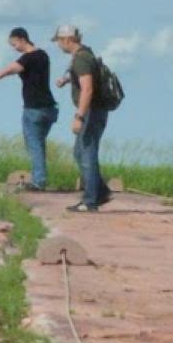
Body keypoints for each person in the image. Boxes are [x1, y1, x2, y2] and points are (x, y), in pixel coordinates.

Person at [0, 27, 57, 193]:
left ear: (22, 39)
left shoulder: (28, 58)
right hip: (50, 108)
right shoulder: (43, 55)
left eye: (14, 44)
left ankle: (39, 181)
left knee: (34, 145)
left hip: (34, 109)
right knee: (38, 144)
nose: (14, 48)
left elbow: (8, 70)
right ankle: (39, 177)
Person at [51, 23, 112, 212]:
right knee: (80, 152)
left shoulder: (81, 59)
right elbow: (86, 77)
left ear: (68, 39)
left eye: (59, 41)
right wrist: (67, 79)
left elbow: (88, 89)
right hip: (95, 111)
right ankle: (100, 192)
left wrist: (79, 116)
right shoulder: (85, 54)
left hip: (91, 112)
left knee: (86, 153)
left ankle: (90, 200)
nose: (58, 45)